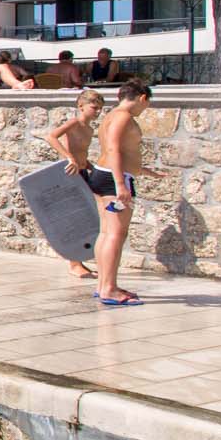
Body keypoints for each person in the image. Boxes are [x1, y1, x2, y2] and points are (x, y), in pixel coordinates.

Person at [90, 80, 162, 306]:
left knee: (105, 232)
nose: (144, 110)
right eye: (146, 105)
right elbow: (113, 149)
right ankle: (109, 289)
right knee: (116, 235)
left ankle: (104, 284)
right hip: (114, 179)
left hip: (103, 175)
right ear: (142, 98)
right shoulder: (123, 117)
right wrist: (121, 184)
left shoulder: (111, 115)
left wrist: (144, 171)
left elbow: (121, 150)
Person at [43, 89, 107, 279]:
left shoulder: (89, 129)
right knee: (75, 218)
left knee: (88, 216)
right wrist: (69, 157)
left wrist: (91, 167)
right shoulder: (74, 123)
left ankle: (80, 260)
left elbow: (82, 154)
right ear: (81, 106)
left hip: (82, 173)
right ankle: (74, 263)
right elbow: (51, 137)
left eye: (100, 109)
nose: (97, 112)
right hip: (70, 174)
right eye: (94, 108)